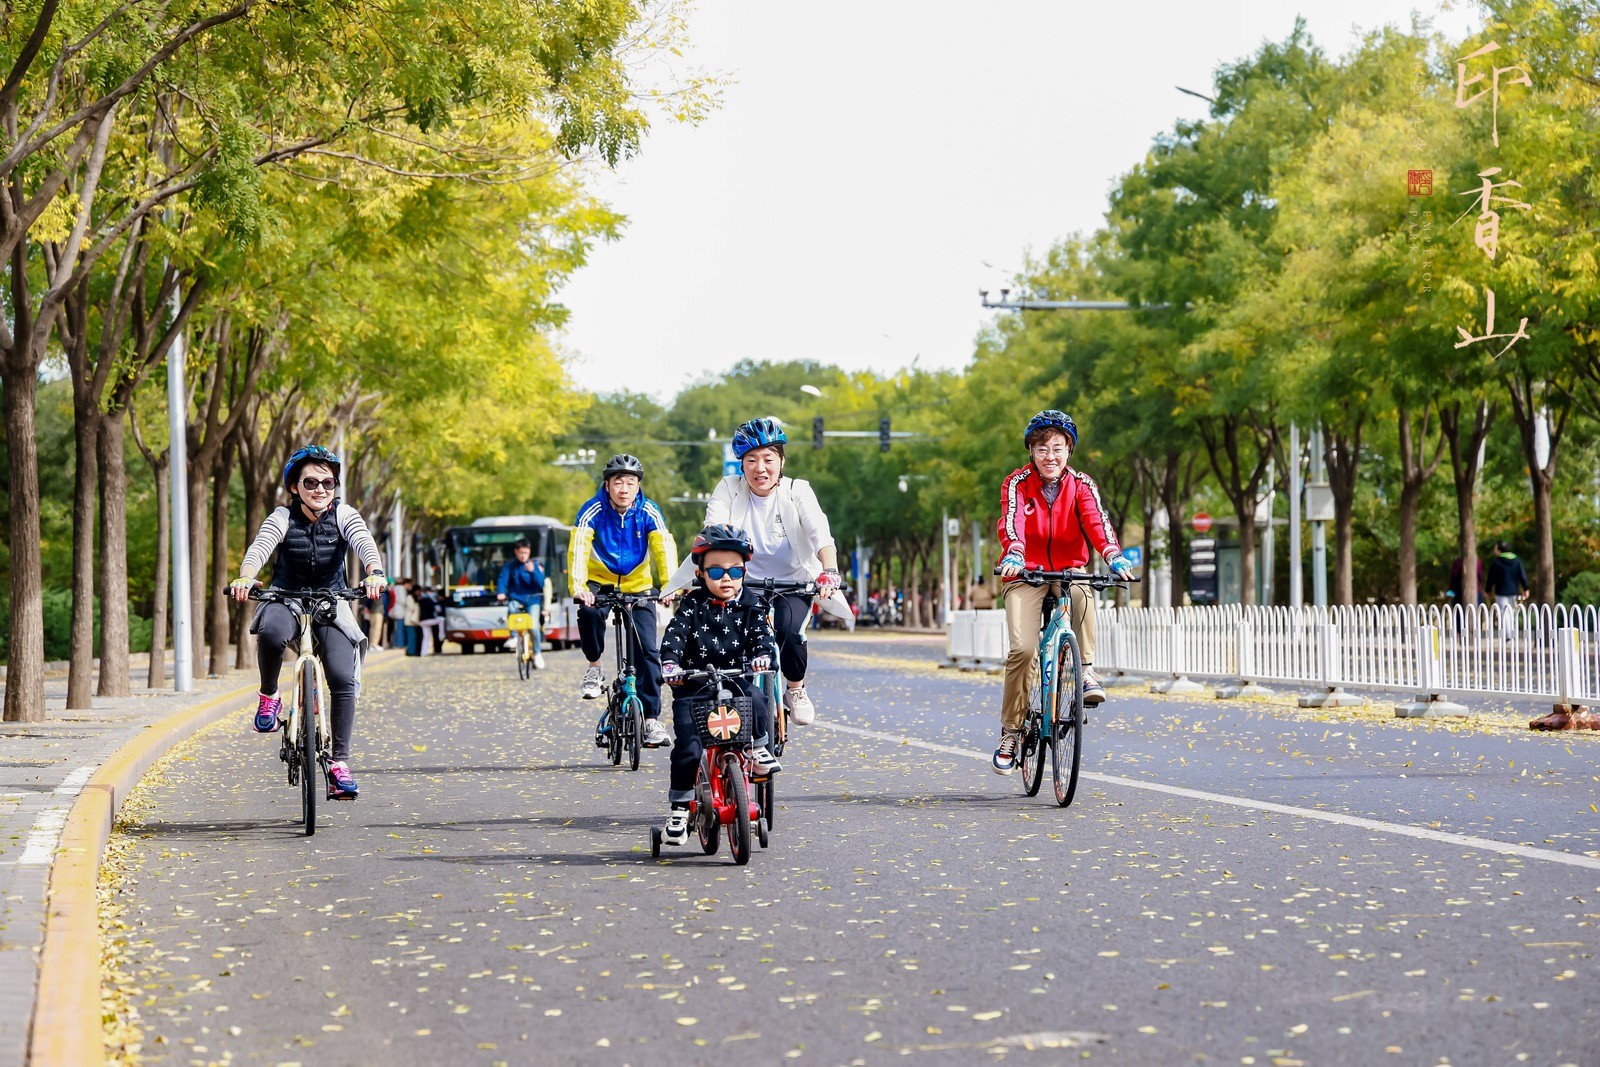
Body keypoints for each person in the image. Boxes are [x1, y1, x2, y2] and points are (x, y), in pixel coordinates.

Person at [228, 444, 386, 799]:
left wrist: (375, 573)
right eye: (311, 482)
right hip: (286, 596)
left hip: (332, 600)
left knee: (343, 677)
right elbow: (260, 548)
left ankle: (339, 764)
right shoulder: (282, 517)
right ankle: (269, 696)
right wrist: (246, 576)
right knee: (270, 632)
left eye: (328, 483)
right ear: (294, 486)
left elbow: (364, 544)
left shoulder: (345, 514)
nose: (320, 489)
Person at [672, 416, 847, 727]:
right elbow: (713, 528)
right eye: (751, 460)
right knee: (734, 644)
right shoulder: (729, 488)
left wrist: (829, 571)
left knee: (790, 633)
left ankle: (795, 689)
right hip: (742, 584)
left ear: (781, 461)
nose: (759, 468)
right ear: (742, 464)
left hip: (793, 584)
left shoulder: (798, 491)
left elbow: (822, 536)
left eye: (768, 459)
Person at [993, 410, 1134, 775]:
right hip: (1024, 572)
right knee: (1023, 650)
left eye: (1057, 448)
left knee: (1084, 591)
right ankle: (1010, 731)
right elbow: (1012, 523)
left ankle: (1085, 670)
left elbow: (1097, 522)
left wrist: (1114, 556)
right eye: (1041, 449)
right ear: (1031, 451)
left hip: (1068, 568)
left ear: (1069, 450)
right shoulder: (1017, 483)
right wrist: (1015, 552)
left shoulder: (1082, 485)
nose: (1050, 456)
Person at [658, 525, 781, 846]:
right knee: (688, 746)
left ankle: (756, 749)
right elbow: (673, 639)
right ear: (700, 573)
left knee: (756, 698)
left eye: (735, 570)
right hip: (693, 687)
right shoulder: (691, 606)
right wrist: (670, 664)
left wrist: (763, 657)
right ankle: (680, 808)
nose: (726, 578)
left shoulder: (753, 605)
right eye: (716, 570)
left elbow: (762, 639)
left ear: (744, 571)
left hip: (736, 681)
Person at [569, 454, 677, 748]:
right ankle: (594, 667)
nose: (624, 488)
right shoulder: (592, 511)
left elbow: (663, 548)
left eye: (631, 482)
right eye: (619, 482)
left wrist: (669, 585)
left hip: (639, 587)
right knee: (589, 614)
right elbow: (579, 548)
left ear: (638, 486)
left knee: (648, 651)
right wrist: (579, 586)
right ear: (607, 485)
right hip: (598, 584)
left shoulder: (649, 512)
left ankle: (652, 718)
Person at [497, 538, 547, 669]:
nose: (523, 555)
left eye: (525, 552)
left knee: (534, 626)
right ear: (515, 552)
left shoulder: (535, 565)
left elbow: (541, 584)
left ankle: (537, 653)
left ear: (529, 552)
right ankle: (513, 636)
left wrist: (533, 572)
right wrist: (501, 592)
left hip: (533, 600)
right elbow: (502, 579)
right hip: (517, 598)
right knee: (511, 607)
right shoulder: (510, 566)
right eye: (520, 553)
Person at [1486, 540, 1530, 637]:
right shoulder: (1516, 560)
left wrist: (1487, 590)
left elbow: (1491, 579)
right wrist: (1525, 588)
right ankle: (1513, 634)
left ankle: (1508, 636)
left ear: (1499, 549)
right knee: (1512, 612)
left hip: (1501, 592)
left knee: (1503, 613)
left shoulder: (1496, 562)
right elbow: (1522, 575)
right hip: (1513, 591)